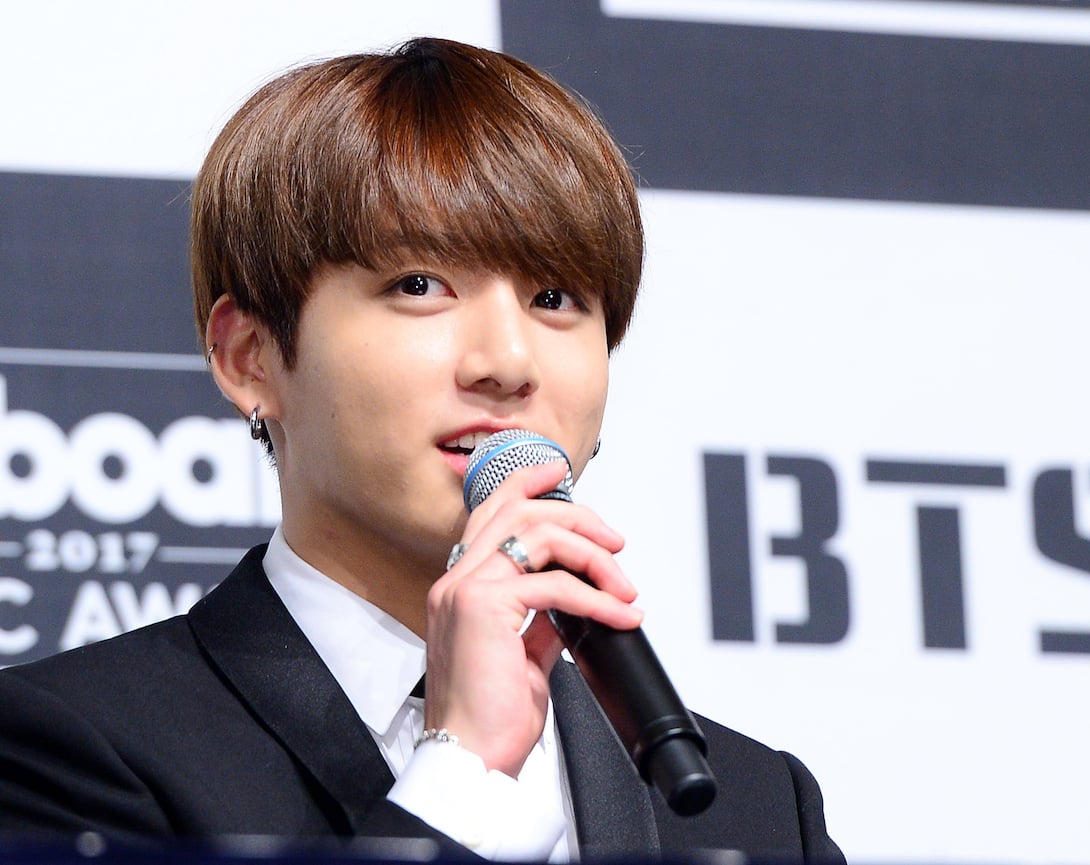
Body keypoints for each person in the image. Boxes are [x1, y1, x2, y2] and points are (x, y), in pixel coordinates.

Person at [0, 37, 843, 862]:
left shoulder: (761, 805)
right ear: (249, 356)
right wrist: (460, 779)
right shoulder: (69, 749)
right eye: (420, 286)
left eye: (555, 297)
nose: (508, 361)